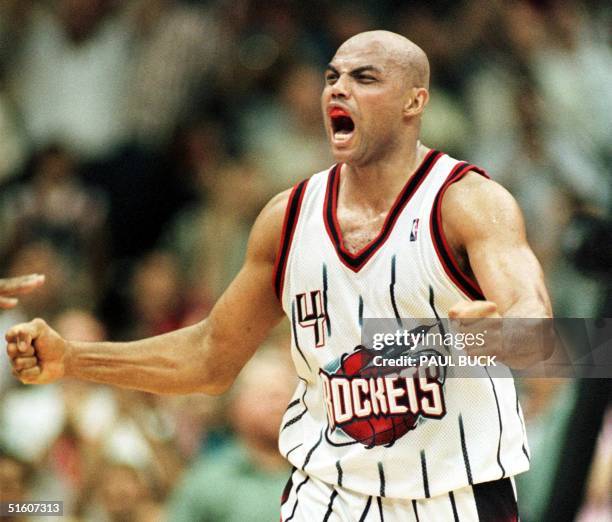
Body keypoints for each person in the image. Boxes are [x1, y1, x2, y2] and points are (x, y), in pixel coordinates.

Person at [6, 31, 552, 521]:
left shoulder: (470, 203)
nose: (339, 89)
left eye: (365, 78)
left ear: (416, 101)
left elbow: (547, 339)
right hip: (327, 496)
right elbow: (209, 357)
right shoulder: (285, 220)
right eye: (332, 77)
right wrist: (73, 359)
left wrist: (500, 338)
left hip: (452, 497)